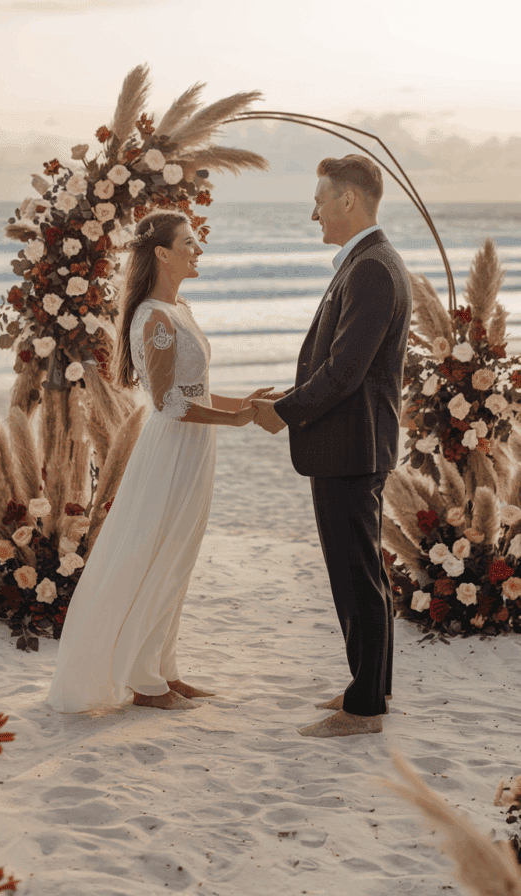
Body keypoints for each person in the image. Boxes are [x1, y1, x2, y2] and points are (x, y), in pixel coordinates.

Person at [46, 211, 272, 715]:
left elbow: (195, 390)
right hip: (172, 449)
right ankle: (146, 684)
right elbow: (170, 402)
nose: (198, 250)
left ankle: (163, 669)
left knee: (180, 558)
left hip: (194, 448)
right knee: (159, 555)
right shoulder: (156, 318)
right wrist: (233, 422)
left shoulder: (179, 309)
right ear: (163, 254)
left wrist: (241, 405)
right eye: (189, 243)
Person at [252, 155, 412, 738]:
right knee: (361, 569)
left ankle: (365, 707)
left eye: (319, 200)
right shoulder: (372, 261)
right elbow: (346, 367)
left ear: (348, 200)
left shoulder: (371, 268)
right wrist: (292, 396)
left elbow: (344, 372)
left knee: (355, 574)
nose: (312, 212)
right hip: (356, 443)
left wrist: (283, 412)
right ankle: (370, 686)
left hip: (352, 445)